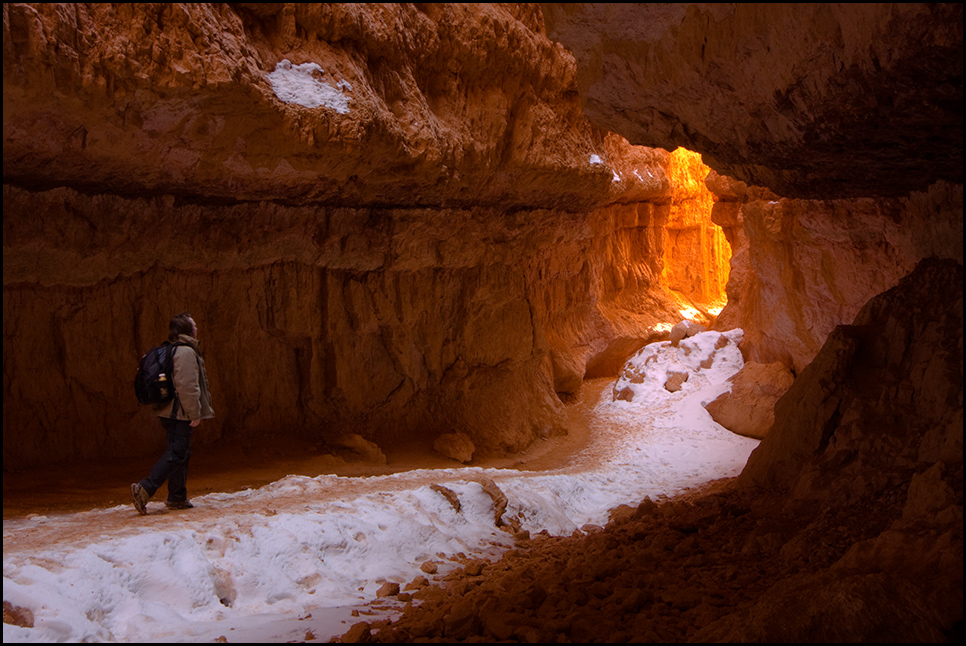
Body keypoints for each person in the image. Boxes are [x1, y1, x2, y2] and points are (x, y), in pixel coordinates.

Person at [131, 312, 215, 514]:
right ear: (187, 329)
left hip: (171, 411)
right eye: (193, 324)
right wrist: (194, 413)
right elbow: (187, 386)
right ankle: (144, 489)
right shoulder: (186, 352)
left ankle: (177, 496)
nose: (196, 327)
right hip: (180, 412)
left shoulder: (174, 349)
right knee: (177, 452)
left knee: (180, 452)